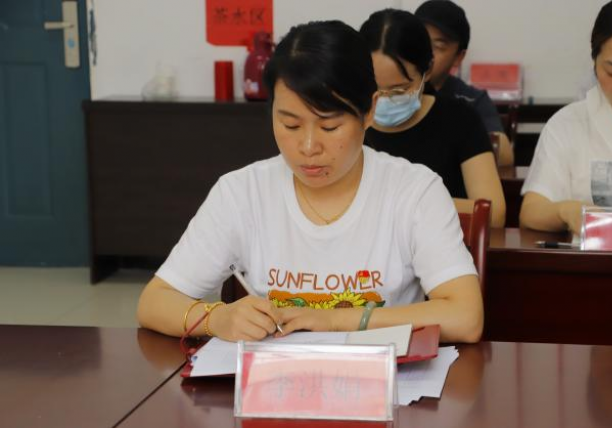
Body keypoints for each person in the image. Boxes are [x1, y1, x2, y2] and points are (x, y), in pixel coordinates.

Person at [137, 20, 483, 343]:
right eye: (290, 125)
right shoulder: (242, 192)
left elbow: (465, 317)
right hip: (275, 380)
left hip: (386, 381)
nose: (307, 147)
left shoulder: (414, 191)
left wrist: (335, 320)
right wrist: (216, 318)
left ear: (368, 111)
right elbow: (154, 302)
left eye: (329, 127)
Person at [360, 9, 506, 228]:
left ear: (426, 71)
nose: (384, 99)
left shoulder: (460, 120)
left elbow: (492, 213)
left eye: (399, 90)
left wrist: (402, 202)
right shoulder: (346, 122)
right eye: (375, 89)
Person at [520, 0, 612, 233]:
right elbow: (532, 211)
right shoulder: (569, 124)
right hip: (595, 256)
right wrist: (565, 211)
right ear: (594, 63)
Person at [415, 0, 514, 166]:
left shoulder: (472, 100)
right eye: (419, 41)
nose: (426, 52)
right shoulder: (391, 91)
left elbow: (502, 152)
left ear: (458, 57)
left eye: (438, 46)